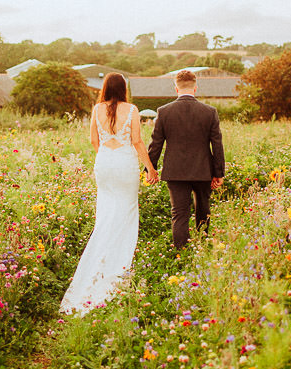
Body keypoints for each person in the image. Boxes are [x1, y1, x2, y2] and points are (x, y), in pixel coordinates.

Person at [60, 73, 158, 316]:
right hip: (125, 163)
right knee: (125, 210)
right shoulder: (133, 109)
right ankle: (116, 260)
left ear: (105, 88)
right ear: (124, 88)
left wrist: (106, 155)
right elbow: (137, 141)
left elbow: (95, 141)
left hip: (104, 163)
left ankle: (99, 256)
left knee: (105, 213)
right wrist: (150, 168)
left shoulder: (96, 110)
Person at [147, 70, 225, 249]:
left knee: (180, 215)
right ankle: (203, 249)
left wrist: (150, 170)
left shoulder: (163, 112)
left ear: (176, 89)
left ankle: (182, 254)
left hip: (175, 172)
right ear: (195, 88)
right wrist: (218, 173)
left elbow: (156, 144)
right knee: (203, 212)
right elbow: (217, 145)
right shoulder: (210, 112)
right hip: (203, 170)